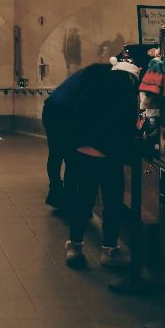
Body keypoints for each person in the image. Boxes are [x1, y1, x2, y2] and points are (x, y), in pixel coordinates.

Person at [48, 61, 141, 269]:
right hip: (109, 157)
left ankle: (74, 247)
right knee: (112, 203)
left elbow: (76, 117)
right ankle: (109, 251)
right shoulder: (126, 94)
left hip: (83, 152)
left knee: (82, 201)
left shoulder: (93, 87)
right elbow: (127, 128)